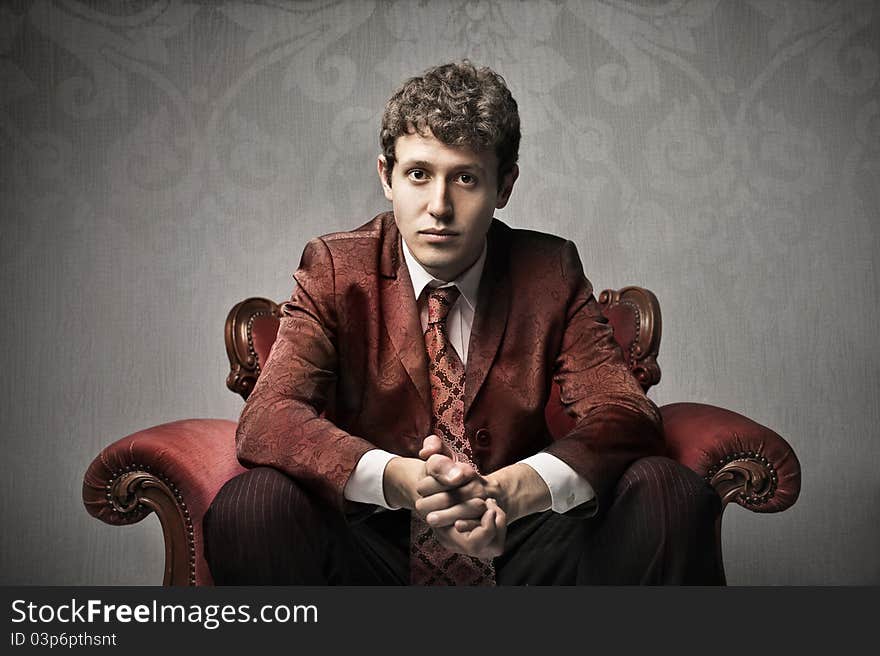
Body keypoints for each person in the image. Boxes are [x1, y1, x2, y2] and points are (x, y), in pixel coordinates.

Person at [204, 61, 722, 585]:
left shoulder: (549, 271)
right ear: (386, 176)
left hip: (519, 542)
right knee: (251, 503)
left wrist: (510, 492)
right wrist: (399, 479)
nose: (439, 207)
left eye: (466, 178)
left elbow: (624, 412)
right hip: (373, 550)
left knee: (667, 488)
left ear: (505, 186)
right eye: (418, 174)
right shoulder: (336, 269)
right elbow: (269, 417)